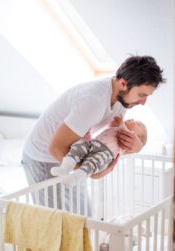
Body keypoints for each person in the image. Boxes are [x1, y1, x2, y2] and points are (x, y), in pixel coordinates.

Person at [21, 55, 164, 212]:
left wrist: (136, 147)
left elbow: (110, 140)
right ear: (123, 83)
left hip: (73, 153)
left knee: (83, 215)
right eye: (141, 95)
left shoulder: (123, 101)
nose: (143, 102)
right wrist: (91, 171)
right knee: (57, 221)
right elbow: (55, 148)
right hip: (44, 157)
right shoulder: (93, 101)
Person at [50, 117, 147, 185]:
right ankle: (65, 167)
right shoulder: (115, 129)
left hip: (105, 154)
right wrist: (88, 137)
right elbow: (101, 137)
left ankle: (76, 177)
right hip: (93, 144)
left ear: (137, 138)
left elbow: (126, 132)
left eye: (137, 123)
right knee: (77, 148)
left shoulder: (126, 142)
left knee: (92, 163)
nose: (132, 119)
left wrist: (121, 122)